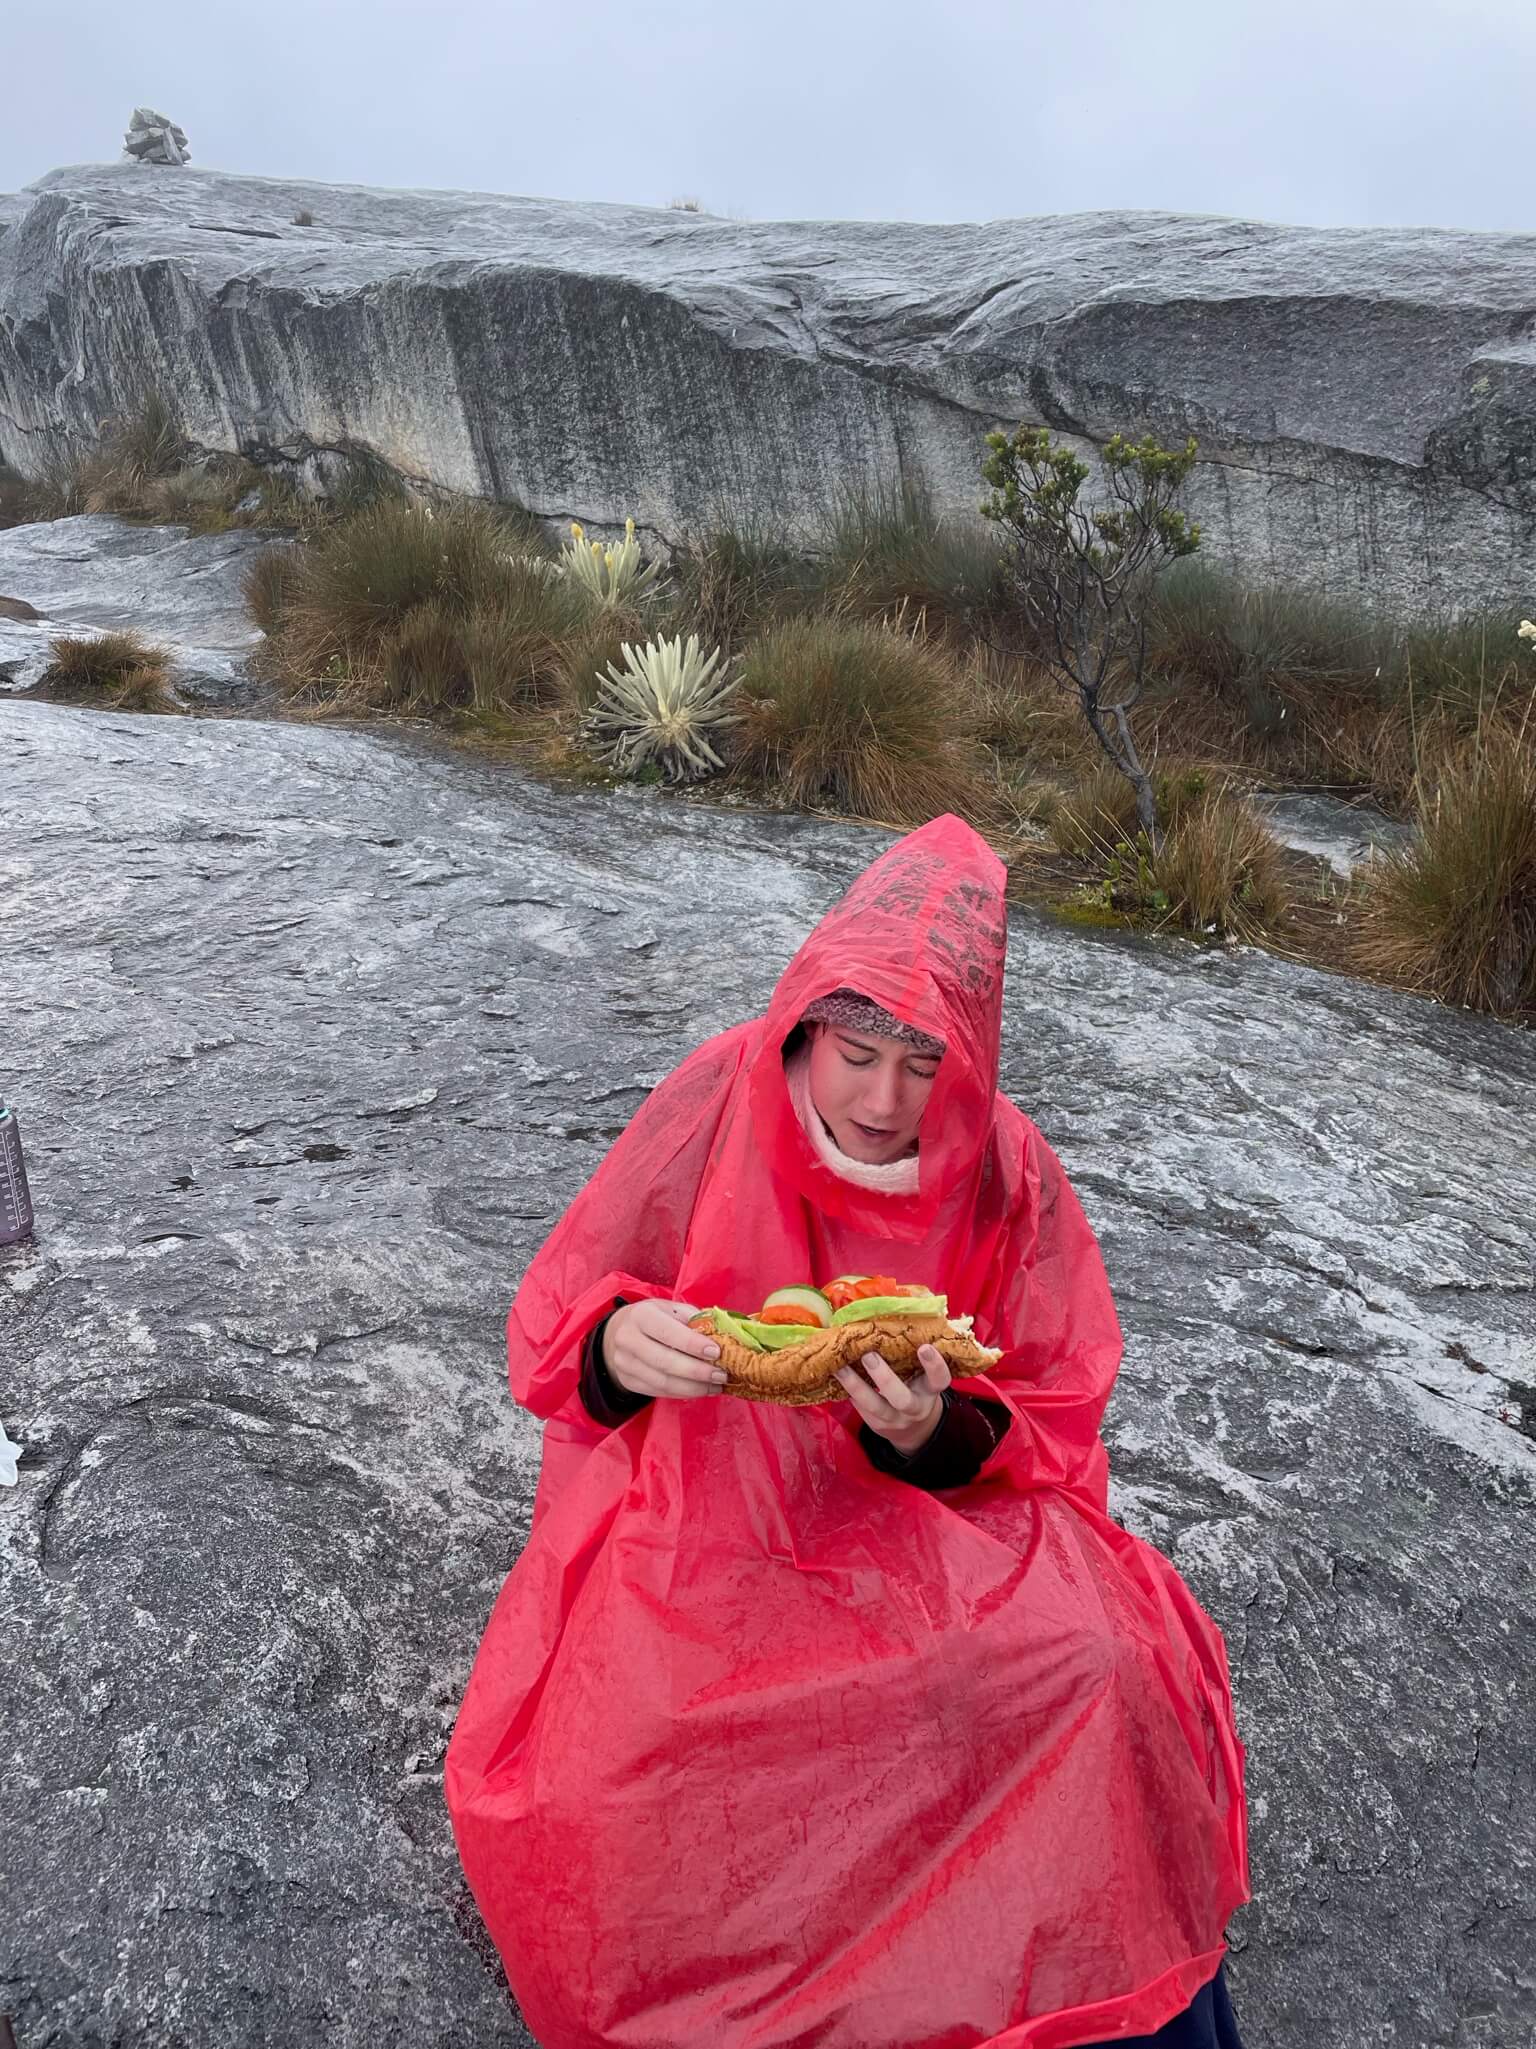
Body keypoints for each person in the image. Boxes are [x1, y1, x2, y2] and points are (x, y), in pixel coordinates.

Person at [445, 814, 1251, 2049]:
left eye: (923, 1066)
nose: (882, 1102)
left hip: (925, 1520)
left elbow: (1053, 1394)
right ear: (807, 1029)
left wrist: (930, 1429)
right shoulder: (718, 1094)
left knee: (1097, 1666)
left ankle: (1071, 1982)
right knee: (642, 1748)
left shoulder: (1008, 1167)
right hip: (709, 1491)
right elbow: (561, 1309)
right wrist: (616, 1345)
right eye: (856, 1053)